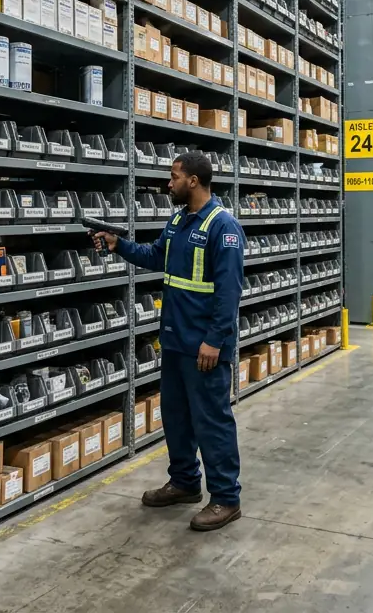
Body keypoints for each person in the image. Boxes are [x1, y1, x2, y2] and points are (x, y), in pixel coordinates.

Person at [90, 151, 245, 531]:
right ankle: (185, 482)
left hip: (204, 346)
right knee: (176, 417)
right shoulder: (178, 221)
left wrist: (214, 340)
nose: (168, 183)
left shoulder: (222, 227)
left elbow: (229, 293)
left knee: (212, 421)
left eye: (174, 176)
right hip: (174, 340)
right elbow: (156, 255)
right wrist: (118, 244)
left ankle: (226, 497)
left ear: (193, 181)